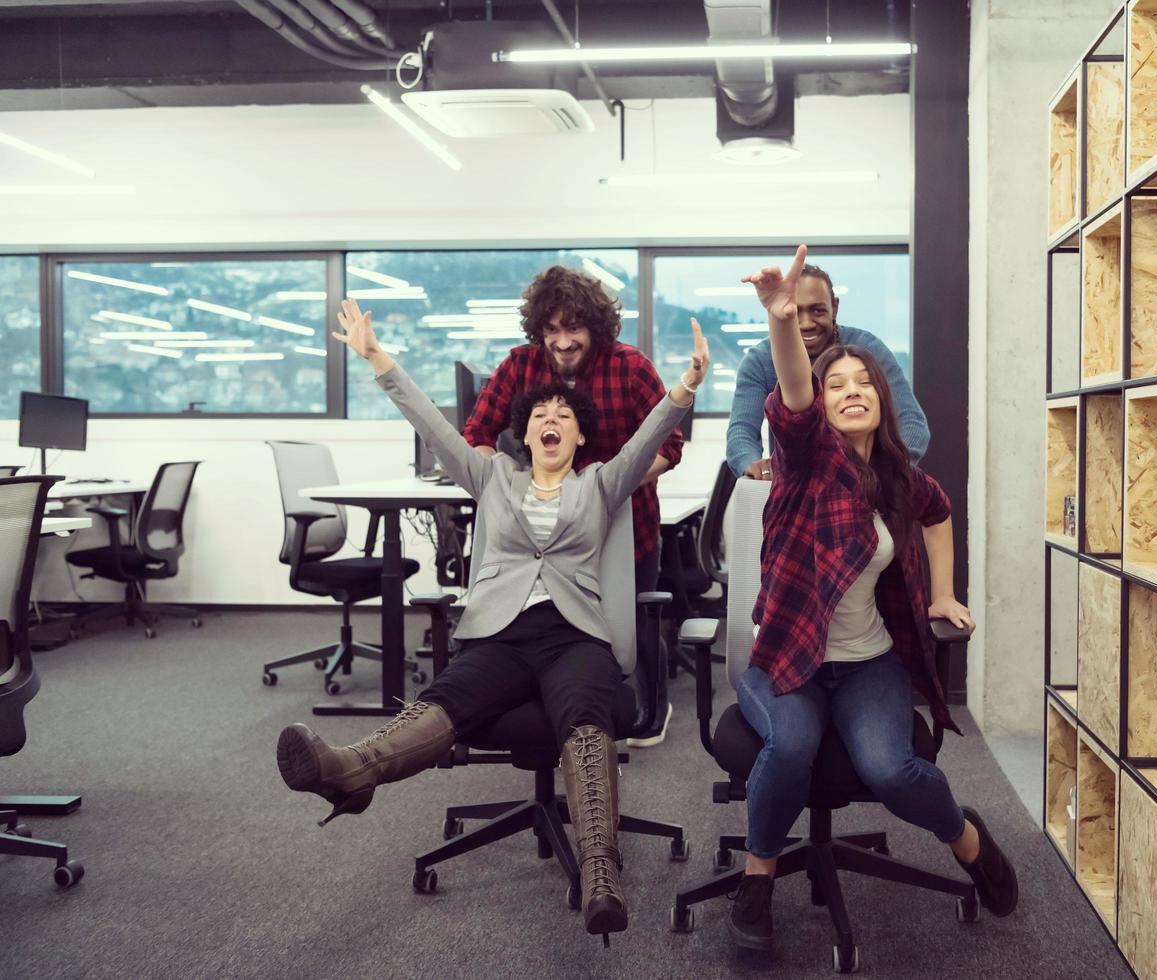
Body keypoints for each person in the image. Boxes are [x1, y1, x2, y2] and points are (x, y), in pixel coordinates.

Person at [274, 298, 710, 942]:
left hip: (575, 635)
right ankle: (348, 770)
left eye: (564, 415)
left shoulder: (601, 483)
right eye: (540, 415)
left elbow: (651, 435)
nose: (552, 420)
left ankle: (599, 873)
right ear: (525, 433)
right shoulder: (490, 476)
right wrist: (375, 358)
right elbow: (432, 422)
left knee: (586, 717)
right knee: (445, 698)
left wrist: (687, 385)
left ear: (581, 436)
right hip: (500, 635)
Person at [725, 247, 1018, 952]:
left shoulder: (896, 477)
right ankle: (758, 876)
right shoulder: (803, 461)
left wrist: (943, 593)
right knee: (790, 745)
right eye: (837, 385)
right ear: (820, 406)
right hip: (787, 657)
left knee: (892, 768)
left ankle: (967, 837)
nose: (851, 390)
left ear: (882, 400)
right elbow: (792, 391)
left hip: (867, 662)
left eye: (865, 383)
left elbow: (941, 512)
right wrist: (782, 321)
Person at [462, 265, 681, 744]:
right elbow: (475, 434)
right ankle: (563, 703)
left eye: (574, 328)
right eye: (552, 330)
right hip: (544, 532)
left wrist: (602, 490)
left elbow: (670, 446)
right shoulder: (520, 365)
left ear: (595, 328)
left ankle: (652, 708)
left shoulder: (631, 367)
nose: (562, 342)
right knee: (563, 629)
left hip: (626, 527)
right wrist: (501, 483)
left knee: (634, 621)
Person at [725, 261, 929, 482]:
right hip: (798, 485)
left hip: (871, 483)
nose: (806, 323)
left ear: (835, 307)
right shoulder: (761, 361)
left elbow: (911, 422)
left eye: (817, 310)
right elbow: (741, 431)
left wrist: (888, 472)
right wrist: (753, 466)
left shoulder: (868, 350)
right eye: (794, 311)